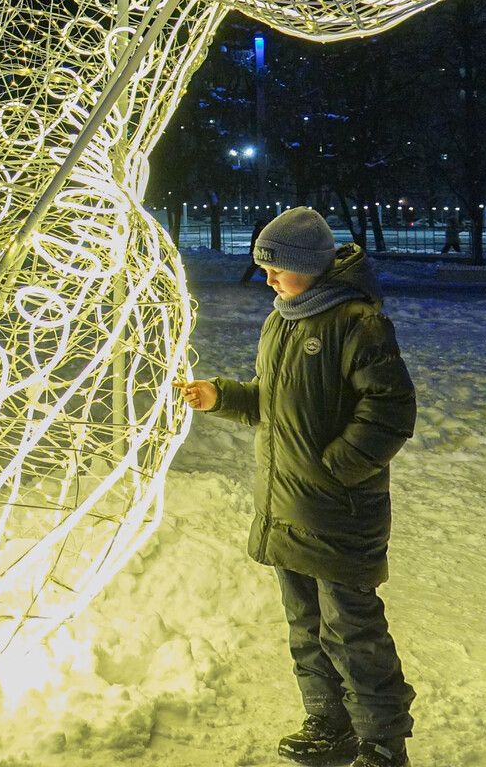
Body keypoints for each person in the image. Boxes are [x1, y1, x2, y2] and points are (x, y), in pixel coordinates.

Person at [178, 207, 417, 767]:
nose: (267, 280)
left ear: (309, 267)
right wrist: (222, 396)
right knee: (306, 627)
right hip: (287, 504)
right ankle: (328, 723)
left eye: (275, 269)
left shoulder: (356, 322)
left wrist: (335, 470)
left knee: (351, 631)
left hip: (337, 509)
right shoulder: (283, 319)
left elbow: (390, 409)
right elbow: (273, 397)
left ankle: (382, 743)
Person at [239, 215, 268, 285]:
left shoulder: (257, 231)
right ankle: (245, 280)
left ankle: (245, 280)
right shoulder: (260, 232)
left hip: (258, 250)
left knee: (258, 266)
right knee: (260, 266)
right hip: (259, 251)